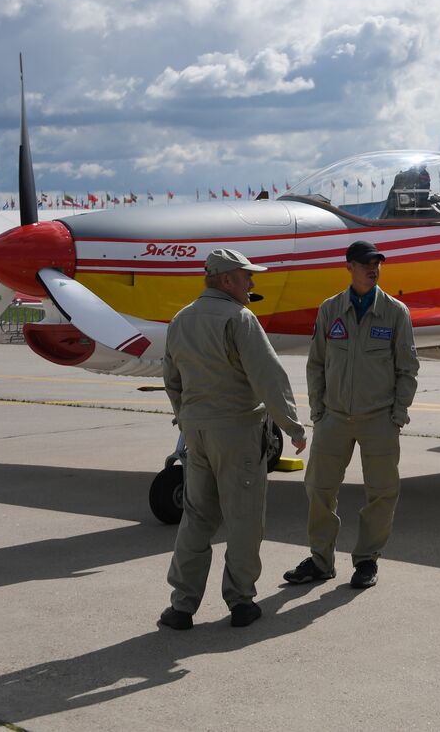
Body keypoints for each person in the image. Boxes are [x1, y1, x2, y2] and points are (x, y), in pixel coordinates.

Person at [159, 248, 307, 631]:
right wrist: (291, 425)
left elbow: (172, 379)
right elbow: (267, 376)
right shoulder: (240, 318)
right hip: (237, 432)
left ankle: (182, 606)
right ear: (226, 280)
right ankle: (241, 601)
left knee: (196, 518)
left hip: (196, 432)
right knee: (243, 519)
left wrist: (186, 417)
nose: (251, 283)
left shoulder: (180, 320)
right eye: (246, 277)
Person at [285, 240, 419, 590]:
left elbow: (408, 368)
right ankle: (320, 560)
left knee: (382, 492)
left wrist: (397, 414)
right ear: (349, 267)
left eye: (377, 263)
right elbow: (316, 364)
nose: (373, 268)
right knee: (318, 488)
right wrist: (318, 410)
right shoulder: (330, 310)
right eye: (365, 263)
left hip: (379, 420)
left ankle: (366, 561)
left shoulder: (395, 312)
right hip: (334, 418)